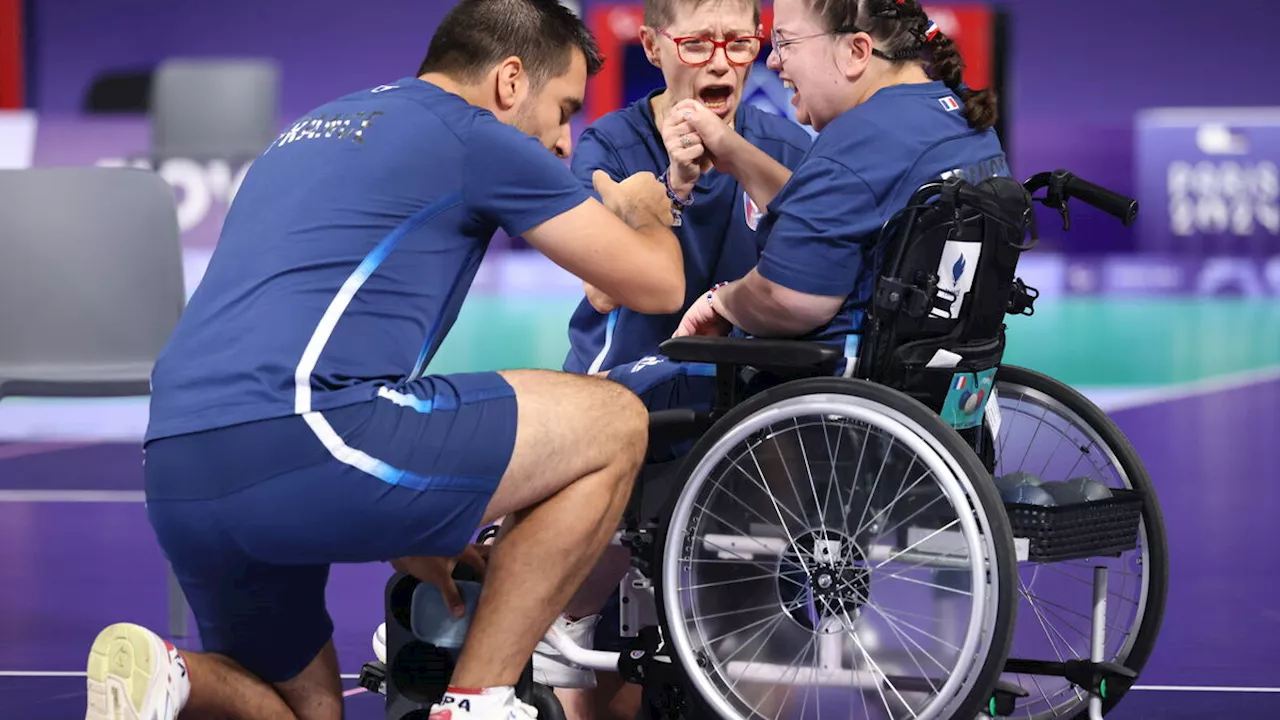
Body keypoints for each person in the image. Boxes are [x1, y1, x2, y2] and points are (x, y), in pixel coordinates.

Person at [82, 1, 690, 719]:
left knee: (307, 711)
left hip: (177, 462)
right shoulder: (473, 137)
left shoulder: (308, 129)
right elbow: (657, 286)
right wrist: (653, 202)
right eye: (562, 109)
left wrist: (410, 523)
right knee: (614, 419)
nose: (562, 141)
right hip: (308, 434)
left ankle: (173, 675)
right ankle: (480, 700)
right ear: (509, 80)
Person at [538, 1, 812, 716]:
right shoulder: (609, 144)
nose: (721, 60)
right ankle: (560, 623)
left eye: (739, 41)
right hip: (627, 384)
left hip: (749, 405)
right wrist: (676, 188)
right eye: (697, 43)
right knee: (586, 619)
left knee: (762, 611)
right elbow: (601, 286)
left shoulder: (789, 146)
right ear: (654, 46)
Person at [670, 0, 1008, 385]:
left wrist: (722, 301)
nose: (775, 62)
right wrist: (730, 150)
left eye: (785, 43)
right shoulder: (960, 119)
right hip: (937, 392)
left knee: (627, 397)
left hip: (832, 406)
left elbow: (788, 299)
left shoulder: (859, 140)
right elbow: (836, 217)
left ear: (855, 52)